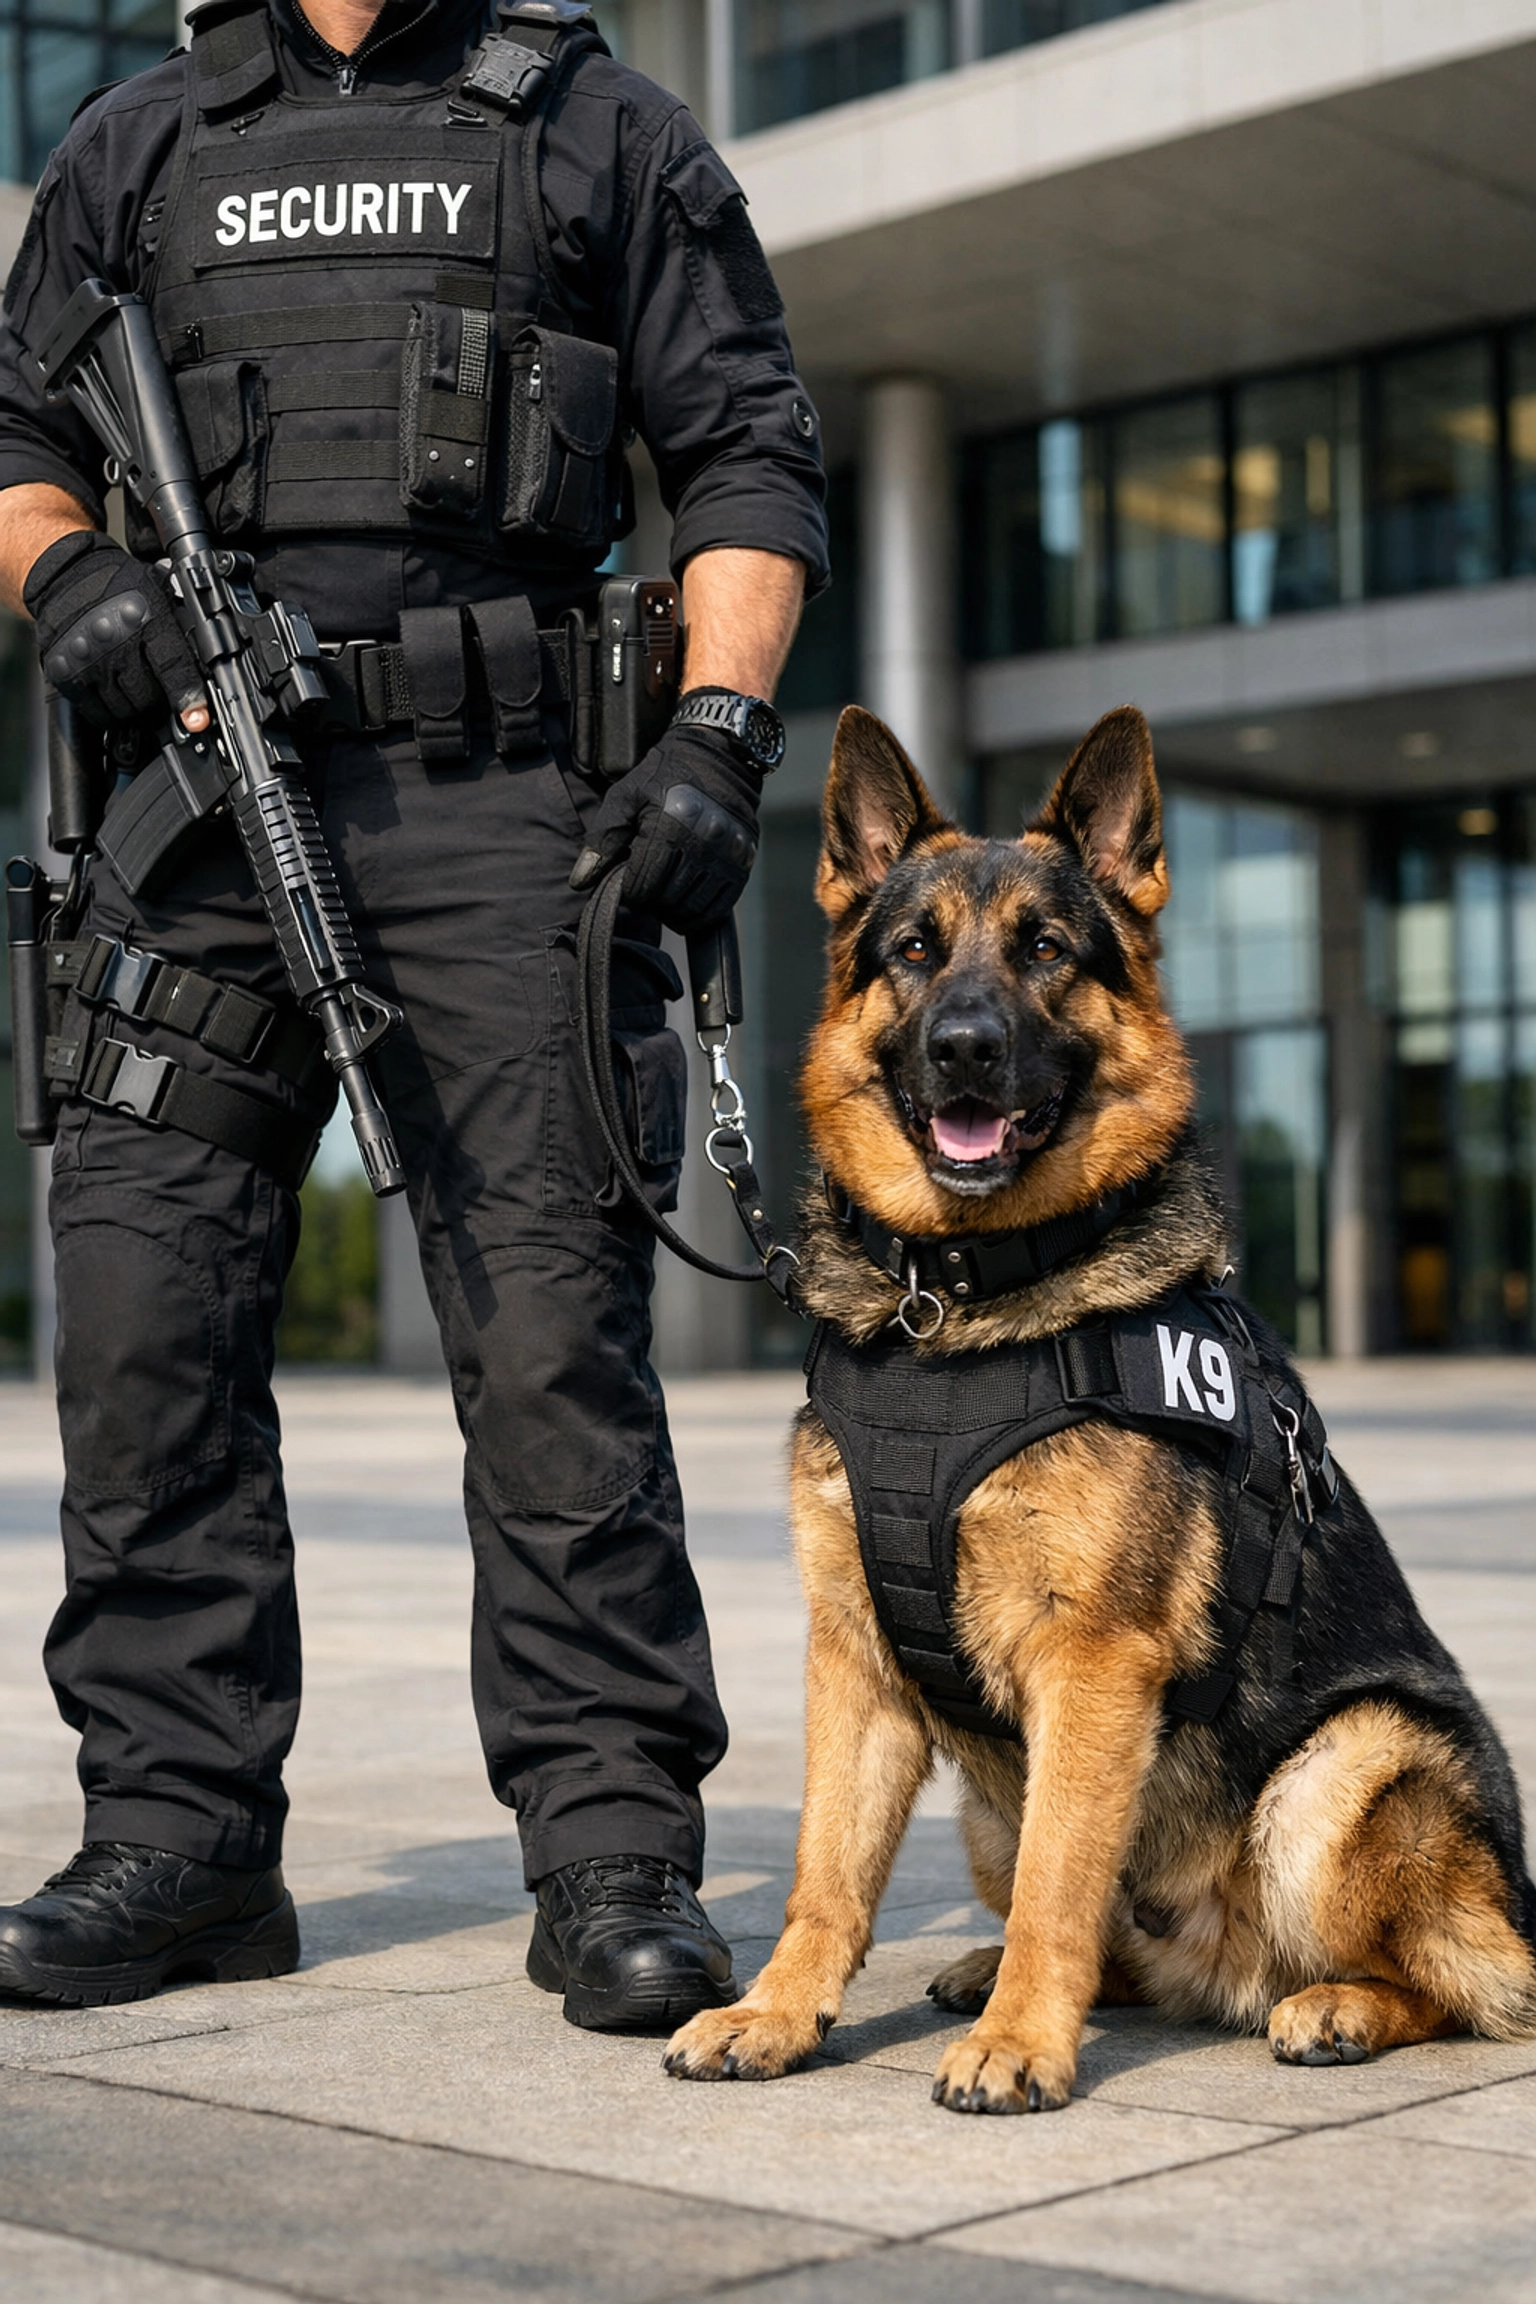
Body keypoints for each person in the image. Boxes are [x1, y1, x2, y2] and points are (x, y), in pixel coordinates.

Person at [0, 0, 826, 2029]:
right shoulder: (135, 142)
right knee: (141, 1325)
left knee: (551, 1332)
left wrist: (716, 742)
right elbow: (15, 432)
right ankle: (176, 1840)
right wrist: (69, 584)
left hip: (505, 804)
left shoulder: (602, 127)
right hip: (196, 791)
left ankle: (613, 1843)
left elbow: (746, 454)